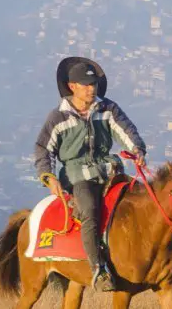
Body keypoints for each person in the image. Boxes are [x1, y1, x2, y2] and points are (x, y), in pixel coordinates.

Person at [33, 57, 147, 292]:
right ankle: (99, 269)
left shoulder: (108, 108)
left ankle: (150, 262)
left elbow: (126, 130)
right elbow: (43, 149)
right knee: (90, 212)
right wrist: (48, 176)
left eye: (93, 84)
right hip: (77, 176)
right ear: (72, 86)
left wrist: (137, 149)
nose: (91, 88)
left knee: (140, 204)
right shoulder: (58, 117)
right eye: (85, 84)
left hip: (110, 170)